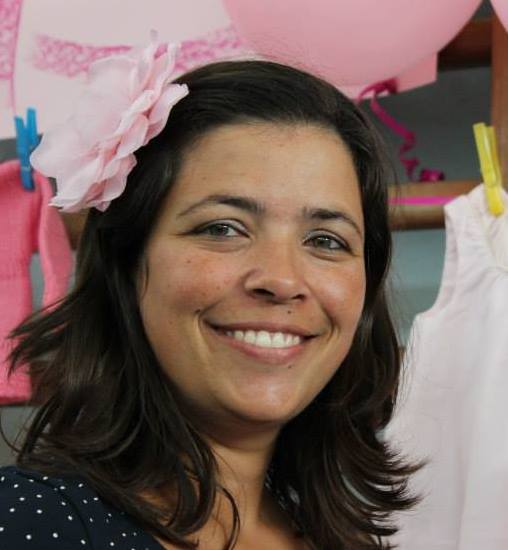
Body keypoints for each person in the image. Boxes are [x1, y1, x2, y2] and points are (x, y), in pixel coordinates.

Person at [0, 36, 419, 549]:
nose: (282, 279)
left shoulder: (344, 540)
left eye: (326, 240)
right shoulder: (27, 523)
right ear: (128, 263)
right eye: (223, 228)